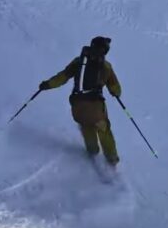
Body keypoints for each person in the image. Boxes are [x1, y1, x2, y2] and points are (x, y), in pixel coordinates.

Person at [39, 37, 121, 165]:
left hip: (78, 106)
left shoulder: (78, 62)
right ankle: (111, 158)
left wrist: (47, 85)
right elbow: (115, 88)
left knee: (86, 126)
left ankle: (92, 150)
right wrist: (115, 93)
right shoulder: (106, 67)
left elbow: (62, 77)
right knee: (104, 129)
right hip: (96, 108)